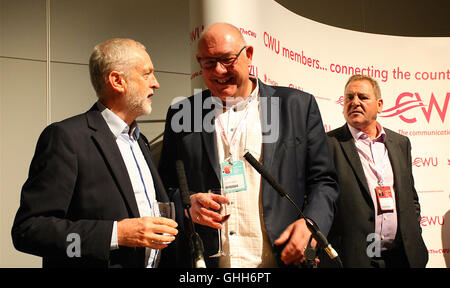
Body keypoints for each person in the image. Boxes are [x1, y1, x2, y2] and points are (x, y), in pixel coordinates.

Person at [158, 23, 338, 268]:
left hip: (281, 260)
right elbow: (164, 187)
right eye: (209, 63)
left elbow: (323, 182)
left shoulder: (296, 106)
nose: (219, 70)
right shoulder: (182, 113)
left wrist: (312, 225)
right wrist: (187, 204)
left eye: (227, 59)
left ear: (249, 54)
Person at [11, 38, 178, 268]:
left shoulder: (141, 142)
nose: (156, 83)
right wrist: (116, 233)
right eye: (147, 74)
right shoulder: (67, 138)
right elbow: (29, 230)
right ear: (117, 81)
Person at [323, 74, 428, 268]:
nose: (354, 102)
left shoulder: (400, 143)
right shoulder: (328, 144)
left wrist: (413, 232)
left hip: (402, 257)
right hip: (354, 258)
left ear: (379, 105)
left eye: (362, 97)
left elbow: (410, 197)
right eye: (349, 97)